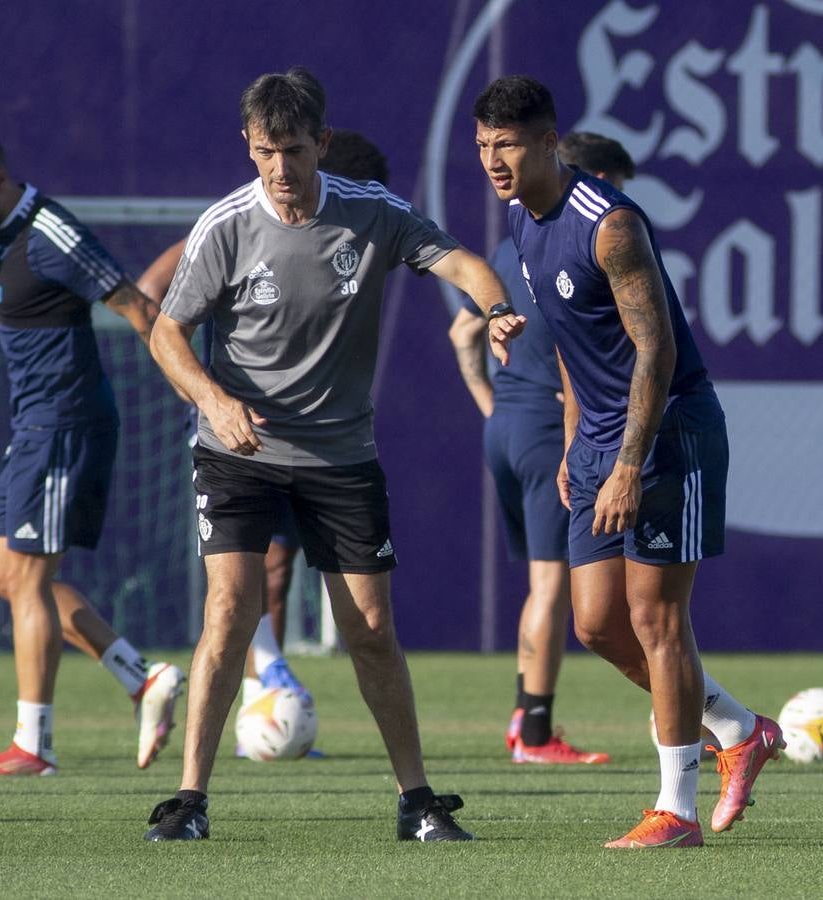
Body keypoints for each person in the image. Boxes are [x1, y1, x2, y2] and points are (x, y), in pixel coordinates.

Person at [142, 67, 523, 842]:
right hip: (236, 449)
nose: (280, 170)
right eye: (263, 152)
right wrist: (215, 401)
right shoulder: (226, 226)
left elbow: (460, 263)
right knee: (229, 612)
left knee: (372, 628)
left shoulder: (372, 213)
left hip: (341, 455)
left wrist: (498, 310)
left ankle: (417, 802)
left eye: (293, 150)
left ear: (321, 143)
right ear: (248, 149)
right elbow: (166, 332)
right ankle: (189, 803)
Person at [472, 77, 784, 848]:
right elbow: (579, 350)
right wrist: (580, 442)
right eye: (481, 147)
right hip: (600, 440)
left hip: (668, 432)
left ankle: (675, 810)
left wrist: (626, 463)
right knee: (598, 624)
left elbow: (657, 348)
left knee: (655, 618)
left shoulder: (607, 224)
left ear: (548, 142)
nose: (493, 162)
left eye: (506, 145)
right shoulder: (519, 219)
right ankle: (740, 730)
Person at [0, 126, 185, 776]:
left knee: (30, 578)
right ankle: (140, 678)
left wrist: (200, 395)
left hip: (68, 423)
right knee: (7, 578)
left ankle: (33, 746)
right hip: (33, 426)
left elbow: (139, 309)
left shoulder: (50, 231)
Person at [136, 130, 392, 720]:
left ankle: (265, 696)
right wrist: (204, 394)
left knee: (289, 576)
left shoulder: (352, 230)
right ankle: (264, 688)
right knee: (258, 575)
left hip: (318, 440)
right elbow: (152, 300)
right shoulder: (237, 228)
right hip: (242, 434)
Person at [447, 132, 634, 767]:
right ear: (597, 176)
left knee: (542, 582)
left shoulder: (512, 240)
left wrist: (493, 409)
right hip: (549, 430)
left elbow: (462, 331)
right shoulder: (582, 237)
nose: (621, 201)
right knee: (551, 585)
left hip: (507, 426)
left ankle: (522, 722)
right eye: (617, 185)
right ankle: (534, 732)